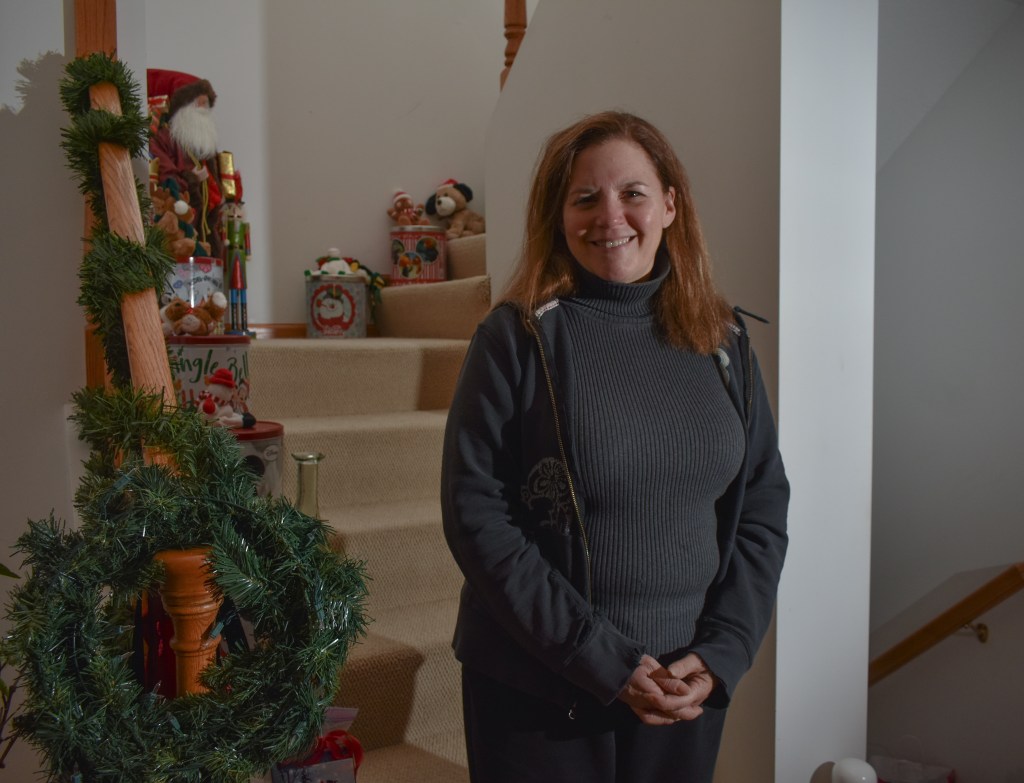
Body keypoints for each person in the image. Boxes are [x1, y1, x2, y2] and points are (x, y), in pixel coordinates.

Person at [441, 111, 789, 783]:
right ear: (557, 215)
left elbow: (762, 504)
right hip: (540, 689)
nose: (610, 215)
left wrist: (724, 650)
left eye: (632, 192)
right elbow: (475, 515)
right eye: (584, 197)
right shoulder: (516, 338)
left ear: (669, 204)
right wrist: (601, 658)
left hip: (683, 686)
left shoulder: (724, 340)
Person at [148, 69, 227, 259]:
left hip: (202, 227)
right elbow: (164, 171)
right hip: (177, 219)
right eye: (197, 101)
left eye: (206, 102)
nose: (202, 106)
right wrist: (190, 179)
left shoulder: (202, 148)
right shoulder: (166, 137)